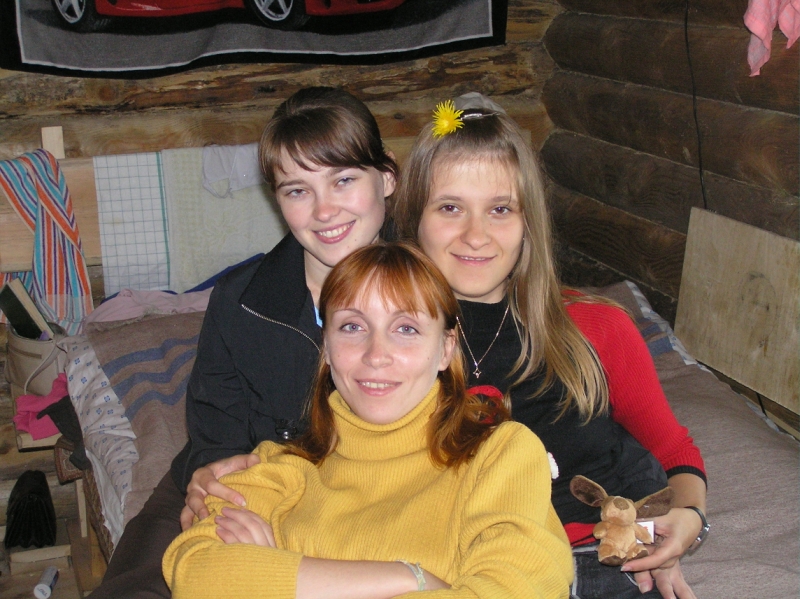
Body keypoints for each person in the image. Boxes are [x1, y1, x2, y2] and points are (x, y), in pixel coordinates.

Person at [390, 95, 707, 599]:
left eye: (500, 209)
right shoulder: (388, 344)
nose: (476, 235)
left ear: (528, 222)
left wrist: (688, 520)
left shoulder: (598, 326)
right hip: (479, 570)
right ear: (413, 220)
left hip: (605, 558)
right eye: (450, 208)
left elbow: (672, 448)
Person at [88, 86, 398, 599]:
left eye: (343, 180)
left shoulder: (430, 295)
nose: (324, 211)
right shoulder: (241, 299)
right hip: (244, 479)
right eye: (297, 190)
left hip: (357, 499)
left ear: (385, 178)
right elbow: (214, 427)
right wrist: (217, 485)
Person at [163, 242, 573, 599]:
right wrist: (410, 577)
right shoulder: (279, 467)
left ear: (446, 348)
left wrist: (279, 579)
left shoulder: (502, 456)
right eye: (352, 326)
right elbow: (194, 573)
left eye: (406, 328)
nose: (376, 355)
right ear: (326, 347)